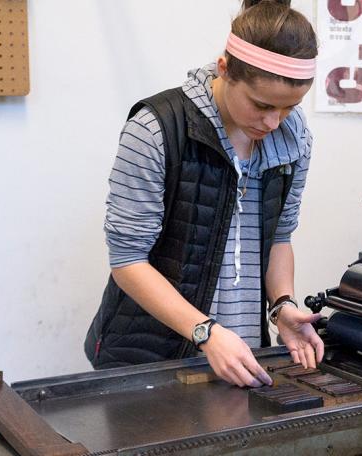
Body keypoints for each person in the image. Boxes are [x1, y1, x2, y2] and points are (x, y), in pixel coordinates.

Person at [84, 0, 322, 388]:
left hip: (240, 354)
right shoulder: (157, 127)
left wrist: (282, 306)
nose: (273, 121)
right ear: (224, 69)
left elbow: (279, 236)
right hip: (150, 358)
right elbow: (128, 262)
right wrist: (205, 333)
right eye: (261, 105)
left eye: (289, 107)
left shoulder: (292, 140)